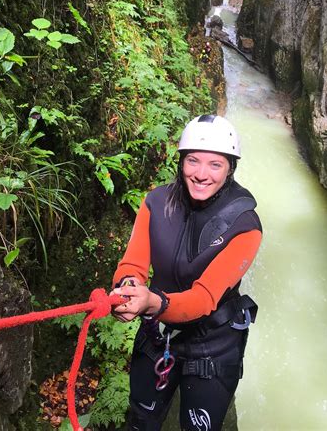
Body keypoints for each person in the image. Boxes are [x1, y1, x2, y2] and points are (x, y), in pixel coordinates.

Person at [111, 114, 262, 431]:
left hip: (213, 345)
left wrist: (152, 303)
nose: (202, 174)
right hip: (158, 337)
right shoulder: (155, 202)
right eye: (193, 161)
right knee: (140, 422)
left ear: (230, 169)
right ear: (181, 162)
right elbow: (133, 265)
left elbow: (205, 297)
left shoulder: (245, 226)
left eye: (215, 165)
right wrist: (128, 288)